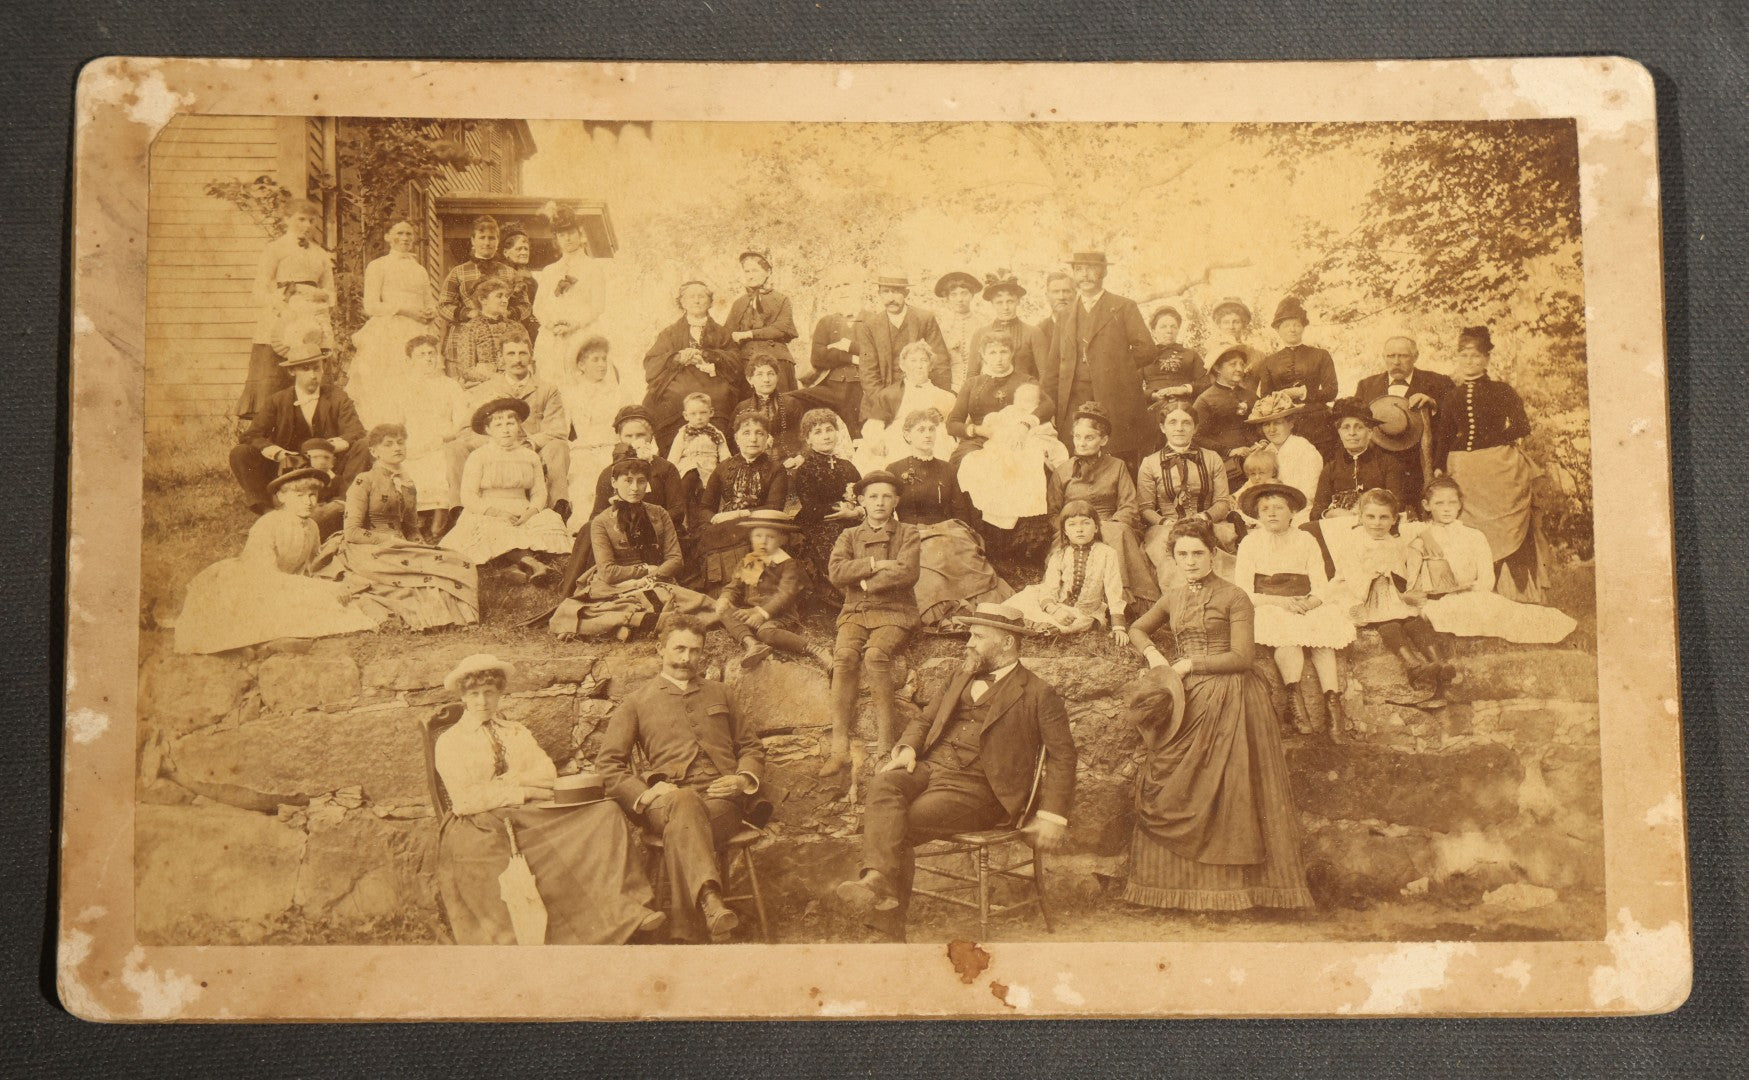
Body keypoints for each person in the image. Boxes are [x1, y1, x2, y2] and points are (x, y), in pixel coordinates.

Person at [834, 604, 1075, 942]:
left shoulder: (1038, 693)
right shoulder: (959, 676)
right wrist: (907, 749)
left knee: (898, 824)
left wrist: (1053, 815)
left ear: (1007, 643)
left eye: (978, 636)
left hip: (982, 789)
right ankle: (878, 881)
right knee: (884, 782)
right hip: (930, 768)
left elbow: (1063, 755)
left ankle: (886, 925)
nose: (969, 643)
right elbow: (924, 720)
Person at [1124, 520, 1315, 911]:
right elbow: (1137, 628)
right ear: (1173, 558)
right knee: (1173, 782)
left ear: (1213, 554)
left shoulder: (1235, 596)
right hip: (1187, 699)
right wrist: (1155, 656)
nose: (1191, 561)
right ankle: (1170, 891)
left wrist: (1189, 664)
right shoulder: (1172, 597)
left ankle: (1240, 894)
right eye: (1182, 554)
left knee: (1231, 789)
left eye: (1198, 553)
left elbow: (1241, 657)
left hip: (1234, 697)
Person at [432, 654, 665, 945]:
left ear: (499, 693)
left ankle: (627, 911)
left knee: (606, 812)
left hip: (530, 814)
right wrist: (523, 788)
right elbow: (465, 800)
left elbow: (546, 774)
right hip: (480, 826)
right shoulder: (451, 741)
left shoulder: (515, 732)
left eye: (489, 692)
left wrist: (504, 784)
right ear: (463, 696)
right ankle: (569, 934)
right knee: (496, 851)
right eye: (475, 694)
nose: (482, 701)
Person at [598, 618, 768, 943]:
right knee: (683, 799)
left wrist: (741, 780)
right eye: (679, 649)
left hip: (721, 805)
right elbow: (608, 765)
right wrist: (646, 794)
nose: (686, 658)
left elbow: (750, 747)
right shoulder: (636, 702)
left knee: (686, 814)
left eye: (695, 651)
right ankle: (710, 902)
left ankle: (689, 926)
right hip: (664, 803)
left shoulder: (722, 693)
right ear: (660, 649)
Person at [174, 468, 378, 654]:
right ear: (282, 497)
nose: (308, 502)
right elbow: (265, 577)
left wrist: (332, 583)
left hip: (284, 583)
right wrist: (324, 589)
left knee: (338, 603)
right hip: (248, 583)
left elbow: (313, 566)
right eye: (300, 496)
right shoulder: (267, 525)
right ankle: (258, 646)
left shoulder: (312, 526)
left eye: (313, 495)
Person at [1431, 325, 1555, 603]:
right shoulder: (1452, 396)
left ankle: (1517, 595)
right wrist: (1439, 466)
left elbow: (1522, 425)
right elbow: (1445, 435)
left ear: (1486, 358)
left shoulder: (1502, 391)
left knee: (1508, 526)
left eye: (1476, 356)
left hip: (1500, 467)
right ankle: (1476, 591)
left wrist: (1494, 439)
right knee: (1472, 526)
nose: (1469, 361)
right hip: (1464, 471)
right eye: (1464, 356)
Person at [316, 424, 480, 630]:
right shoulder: (364, 481)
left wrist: (421, 547)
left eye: (401, 443)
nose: (397, 448)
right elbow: (352, 531)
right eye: (389, 444)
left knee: (459, 561)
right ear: (374, 451)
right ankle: (428, 617)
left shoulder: (408, 484)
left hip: (401, 547)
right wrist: (389, 540)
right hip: (369, 548)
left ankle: (455, 616)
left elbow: (411, 528)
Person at [1233, 482, 1355, 737]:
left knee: (1323, 638)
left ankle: (1333, 706)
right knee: (1287, 637)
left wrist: (1310, 603)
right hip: (1268, 604)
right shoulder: (1250, 543)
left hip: (1303, 602)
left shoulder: (1306, 540)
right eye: (1265, 509)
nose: (1271, 513)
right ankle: (1295, 702)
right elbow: (1243, 590)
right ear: (1257, 514)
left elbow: (1320, 584)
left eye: (1279, 508)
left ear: (1292, 512)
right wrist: (1280, 602)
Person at [547, 454, 714, 640]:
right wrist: (644, 570)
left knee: (700, 603)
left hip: (655, 581)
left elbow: (675, 559)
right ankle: (636, 623)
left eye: (641, 481)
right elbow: (608, 572)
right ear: (614, 482)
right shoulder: (602, 522)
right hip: (614, 585)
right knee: (578, 610)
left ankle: (624, 625)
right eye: (628, 481)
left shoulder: (659, 514)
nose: (635, 488)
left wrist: (651, 577)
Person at [820, 470, 922, 776]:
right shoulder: (849, 536)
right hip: (855, 609)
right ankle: (839, 749)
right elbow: (837, 572)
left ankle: (885, 748)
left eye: (887, 496)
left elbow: (907, 572)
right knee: (844, 657)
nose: (880, 502)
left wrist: (864, 582)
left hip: (895, 610)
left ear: (896, 501)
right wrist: (875, 563)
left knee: (876, 656)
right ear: (862, 501)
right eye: (873, 496)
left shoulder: (908, 533)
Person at [1404, 477, 1576, 650]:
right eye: (1439, 503)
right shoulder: (1419, 538)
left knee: (1510, 613)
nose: (1446, 508)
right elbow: (1412, 585)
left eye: (1452, 502)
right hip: (1437, 602)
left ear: (1460, 504)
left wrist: (1466, 588)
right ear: (1427, 505)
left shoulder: (1474, 536)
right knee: (1454, 615)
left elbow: (1487, 581)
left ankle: (1564, 634)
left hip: (1473, 595)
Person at [887, 408, 1013, 626]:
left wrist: (967, 536)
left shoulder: (948, 469)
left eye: (931, 429)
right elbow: (887, 511)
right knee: (927, 561)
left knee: (962, 554)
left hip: (946, 531)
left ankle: (975, 607)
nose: (927, 434)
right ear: (907, 435)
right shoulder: (895, 469)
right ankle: (945, 610)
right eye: (920, 430)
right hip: (911, 534)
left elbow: (960, 509)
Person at [1325, 488, 1445, 700]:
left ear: (1393, 519)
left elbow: (1400, 571)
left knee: (1413, 621)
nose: (1376, 523)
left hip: (1389, 594)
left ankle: (1439, 663)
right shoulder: (1352, 543)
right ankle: (1413, 665)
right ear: (1361, 517)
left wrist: (1402, 592)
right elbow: (1355, 581)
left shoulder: (1394, 542)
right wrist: (1390, 589)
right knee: (1390, 624)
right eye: (1370, 517)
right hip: (1360, 593)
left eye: (1383, 517)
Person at [1039, 251, 1159, 463]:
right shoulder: (1065, 314)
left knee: (1117, 455)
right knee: (1075, 457)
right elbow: (1054, 366)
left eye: (1091, 269)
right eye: (1079, 269)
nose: (1085, 275)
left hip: (1114, 397)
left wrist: (1115, 368)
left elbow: (1147, 349)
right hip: (1074, 399)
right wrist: (1047, 409)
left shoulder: (1123, 307)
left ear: (1103, 272)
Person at [230, 332, 368, 514]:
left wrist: (328, 448)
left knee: (364, 445)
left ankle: (342, 503)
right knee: (240, 453)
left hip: (329, 464)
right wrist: (278, 453)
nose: (313, 375)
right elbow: (251, 435)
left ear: (323, 369)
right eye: (305, 369)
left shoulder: (337, 397)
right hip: (289, 466)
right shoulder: (278, 400)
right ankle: (267, 510)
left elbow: (356, 432)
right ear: (292, 371)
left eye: (316, 368)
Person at [439, 397, 573, 581]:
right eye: (498, 425)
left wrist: (532, 511)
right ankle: (535, 564)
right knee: (494, 528)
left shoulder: (529, 456)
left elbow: (538, 492)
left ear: (519, 426)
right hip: (490, 509)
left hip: (522, 509)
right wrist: (495, 512)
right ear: (488, 430)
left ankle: (512, 568)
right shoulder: (479, 456)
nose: (505, 429)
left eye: (511, 423)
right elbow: (468, 495)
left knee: (548, 521)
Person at [1047, 402, 1160, 611]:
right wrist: (1073, 528)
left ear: (1104, 440)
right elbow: (1053, 514)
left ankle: (1128, 601)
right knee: (1112, 532)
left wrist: (1105, 527)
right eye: (1077, 437)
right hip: (1074, 529)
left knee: (1116, 531)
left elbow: (1129, 505)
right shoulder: (1062, 471)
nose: (1081, 443)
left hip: (1113, 524)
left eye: (1089, 438)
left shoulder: (1117, 466)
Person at [446, 330, 571, 518]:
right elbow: (465, 430)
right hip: (494, 445)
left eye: (523, 353)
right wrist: (493, 443)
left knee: (558, 447)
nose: (517, 360)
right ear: (501, 358)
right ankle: (458, 511)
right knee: (455, 448)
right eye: (511, 354)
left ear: (531, 356)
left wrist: (530, 443)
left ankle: (558, 508)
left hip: (532, 448)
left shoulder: (547, 390)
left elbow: (557, 430)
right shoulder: (485, 389)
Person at [237, 199, 334, 423]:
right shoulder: (275, 249)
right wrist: (281, 307)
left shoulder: (321, 254)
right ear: (286, 219)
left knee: (311, 367)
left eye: (311, 221)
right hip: (282, 315)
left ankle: (307, 426)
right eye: (301, 219)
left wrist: (320, 295)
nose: (307, 225)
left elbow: (330, 292)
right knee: (277, 372)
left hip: (312, 317)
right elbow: (259, 290)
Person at [375, 335, 471, 541]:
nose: (428, 359)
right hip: (412, 443)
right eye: (421, 355)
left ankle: (439, 524)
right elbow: (394, 425)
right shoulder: (400, 388)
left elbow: (462, 422)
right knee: (408, 467)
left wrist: (444, 438)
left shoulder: (450, 386)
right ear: (409, 360)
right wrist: (405, 444)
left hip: (444, 441)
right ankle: (416, 522)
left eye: (431, 354)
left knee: (441, 464)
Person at [346, 219, 437, 427]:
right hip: (388, 332)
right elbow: (371, 306)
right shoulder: (378, 266)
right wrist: (405, 310)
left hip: (417, 330)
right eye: (399, 233)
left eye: (409, 234)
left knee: (418, 382)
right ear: (387, 237)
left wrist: (430, 312)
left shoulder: (420, 270)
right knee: (388, 382)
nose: (405, 238)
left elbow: (429, 301)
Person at [1138, 402, 1235, 591]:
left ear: (1195, 428)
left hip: (1208, 523)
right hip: (1167, 527)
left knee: (1213, 548)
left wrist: (1203, 517)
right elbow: (1145, 508)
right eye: (1172, 422)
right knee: (1167, 546)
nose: (1179, 428)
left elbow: (1222, 502)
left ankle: (1219, 599)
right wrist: (1166, 522)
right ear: (1162, 427)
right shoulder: (1150, 463)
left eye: (1186, 423)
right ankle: (1181, 599)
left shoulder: (1212, 458)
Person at [715, 509, 830, 669]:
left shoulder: (788, 564)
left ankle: (815, 649)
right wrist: (725, 598)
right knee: (726, 612)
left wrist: (762, 613)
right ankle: (752, 643)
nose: (763, 541)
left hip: (779, 614)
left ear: (783, 539)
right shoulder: (751, 560)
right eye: (758, 536)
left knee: (766, 633)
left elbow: (785, 594)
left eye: (770, 537)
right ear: (751, 537)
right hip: (750, 611)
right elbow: (735, 585)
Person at [693, 408, 790, 587]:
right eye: (746, 433)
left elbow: (774, 507)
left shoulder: (776, 469)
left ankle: (750, 588)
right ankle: (723, 589)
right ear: (737, 438)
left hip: (759, 525)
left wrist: (739, 514)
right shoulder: (723, 468)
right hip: (725, 526)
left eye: (759, 433)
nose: (753, 439)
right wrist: (715, 518)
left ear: (767, 438)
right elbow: (705, 507)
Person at [1355, 335, 1454, 511]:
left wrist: (1433, 404)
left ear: (1415, 357)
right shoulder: (1366, 386)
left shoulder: (1439, 383)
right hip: (1381, 472)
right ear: (1383, 357)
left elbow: (1454, 421)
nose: (1396, 362)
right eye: (1391, 356)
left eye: (1403, 356)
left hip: (1422, 470)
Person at [1005, 500, 1127, 640]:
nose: (1079, 529)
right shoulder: (1060, 554)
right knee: (1024, 599)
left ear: (1096, 528)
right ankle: (1007, 618)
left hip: (1083, 613)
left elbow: (1113, 590)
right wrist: (1054, 609)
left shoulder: (1108, 554)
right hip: (1055, 605)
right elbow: (1049, 588)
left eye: (1086, 523)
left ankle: (1034, 626)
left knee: (1061, 625)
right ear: (1065, 531)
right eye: (1072, 524)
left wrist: (1118, 627)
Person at [643, 280, 742, 453]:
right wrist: (677, 357)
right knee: (674, 395)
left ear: (710, 302)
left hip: (714, 379)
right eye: (691, 297)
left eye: (701, 296)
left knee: (721, 395)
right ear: (682, 302)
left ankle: (717, 450)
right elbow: (652, 360)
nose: (696, 301)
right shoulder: (669, 333)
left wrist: (708, 355)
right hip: (678, 378)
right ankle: (674, 452)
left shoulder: (721, 332)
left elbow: (735, 360)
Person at [957, 383, 1064, 536]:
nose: (1022, 404)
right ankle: (992, 511)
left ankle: (1011, 513)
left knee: (1023, 466)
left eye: (1028, 401)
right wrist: (992, 420)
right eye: (1019, 400)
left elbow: (1046, 435)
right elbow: (994, 420)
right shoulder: (1009, 412)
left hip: (1026, 449)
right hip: (1002, 449)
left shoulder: (1039, 420)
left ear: (1037, 405)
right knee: (975, 462)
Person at [787, 408, 863, 611]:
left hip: (851, 519)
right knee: (836, 542)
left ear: (837, 433)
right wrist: (841, 508)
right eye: (818, 432)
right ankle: (852, 599)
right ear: (808, 439)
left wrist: (856, 511)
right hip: (820, 523)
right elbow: (811, 507)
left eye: (829, 429)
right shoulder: (806, 469)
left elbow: (863, 495)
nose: (826, 436)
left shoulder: (847, 466)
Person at [558, 335, 636, 531]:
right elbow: (562, 430)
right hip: (583, 449)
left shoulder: (619, 393)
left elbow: (631, 426)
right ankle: (584, 529)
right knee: (583, 478)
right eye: (595, 359)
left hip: (612, 447)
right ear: (581, 365)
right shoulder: (570, 394)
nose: (602, 364)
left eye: (604, 359)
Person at [945, 331, 1053, 466]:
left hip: (1016, 438)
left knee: (1023, 463)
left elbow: (1048, 405)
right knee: (971, 462)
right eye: (992, 353)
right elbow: (952, 424)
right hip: (979, 440)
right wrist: (977, 430)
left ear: (1012, 353)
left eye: (1003, 352)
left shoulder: (1026, 380)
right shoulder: (972, 384)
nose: (999, 358)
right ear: (983, 355)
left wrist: (1024, 425)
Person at [1254, 297, 1340, 462]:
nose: (1292, 329)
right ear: (1278, 329)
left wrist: (1302, 393)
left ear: (1303, 327)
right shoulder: (1269, 362)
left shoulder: (1320, 355)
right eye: (1287, 325)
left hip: (1319, 425)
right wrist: (1283, 398)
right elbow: (1266, 399)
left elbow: (1331, 390)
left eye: (1297, 324)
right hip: (1286, 428)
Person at [530, 203, 607, 387]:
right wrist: (551, 324)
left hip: (581, 333)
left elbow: (597, 306)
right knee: (551, 384)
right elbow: (538, 307)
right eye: (562, 235)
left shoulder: (593, 268)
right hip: (553, 336)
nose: (567, 239)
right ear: (556, 239)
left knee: (582, 382)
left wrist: (574, 324)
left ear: (580, 233)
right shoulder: (549, 271)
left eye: (571, 233)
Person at [855, 339, 958, 476]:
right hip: (899, 441)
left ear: (930, 366)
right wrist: (876, 442)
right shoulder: (890, 394)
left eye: (923, 360)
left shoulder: (945, 396)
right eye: (913, 361)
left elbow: (955, 425)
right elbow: (874, 424)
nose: (919, 366)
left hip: (933, 440)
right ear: (903, 366)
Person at [853, 269, 952, 404]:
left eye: (896, 291)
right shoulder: (870, 326)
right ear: (879, 294)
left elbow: (940, 363)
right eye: (886, 292)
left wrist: (938, 399)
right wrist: (883, 402)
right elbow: (868, 371)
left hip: (922, 394)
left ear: (906, 293)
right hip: (884, 395)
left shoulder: (924, 319)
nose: (891, 298)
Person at [1312, 396, 1411, 523]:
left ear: (1370, 432)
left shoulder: (1388, 464)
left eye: (1359, 427)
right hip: (1339, 527)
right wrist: (1331, 514)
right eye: (1346, 427)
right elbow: (1316, 512)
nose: (1352, 433)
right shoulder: (1330, 468)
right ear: (1339, 433)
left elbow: (1397, 505)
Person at [436, 215, 512, 368]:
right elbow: (443, 305)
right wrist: (468, 313)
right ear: (473, 240)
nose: (486, 242)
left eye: (491, 238)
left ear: (498, 241)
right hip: (463, 338)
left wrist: (509, 313)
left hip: (500, 339)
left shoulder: (509, 273)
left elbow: (525, 305)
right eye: (482, 237)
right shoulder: (458, 272)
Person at [791, 277, 864, 431]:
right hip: (831, 386)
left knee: (859, 432)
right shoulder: (826, 322)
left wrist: (845, 346)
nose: (842, 291)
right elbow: (817, 358)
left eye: (846, 284)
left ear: (859, 288)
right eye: (837, 286)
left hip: (863, 386)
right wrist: (851, 357)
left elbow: (877, 353)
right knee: (788, 400)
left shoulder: (873, 320)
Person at [724, 248, 800, 392]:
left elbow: (781, 328)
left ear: (768, 272)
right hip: (745, 360)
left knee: (782, 400)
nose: (750, 275)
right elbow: (727, 333)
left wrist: (749, 334)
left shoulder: (781, 299)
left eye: (755, 271)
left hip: (776, 357)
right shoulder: (739, 303)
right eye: (747, 271)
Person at [1241, 391, 1323, 525]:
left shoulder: (1306, 450)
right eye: (1266, 424)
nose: (1271, 430)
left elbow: (1308, 494)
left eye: (1277, 423)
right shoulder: (1266, 451)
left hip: (1298, 512)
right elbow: (1252, 483)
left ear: (1291, 423)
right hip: (1267, 510)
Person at [1191, 346, 1259, 485]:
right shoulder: (1205, 399)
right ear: (1217, 368)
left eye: (1242, 364)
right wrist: (1229, 451)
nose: (1239, 369)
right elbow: (1196, 436)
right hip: (1227, 466)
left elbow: (1263, 424)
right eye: (1233, 364)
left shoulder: (1251, 396)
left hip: (1258, 460)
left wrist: (1262, 442)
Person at [967, 270, 1050, 380]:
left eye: (1010, 301)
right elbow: (972, 374)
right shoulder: (981, 334)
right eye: (999, 302)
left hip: (1025, 389)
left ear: (1018, 301)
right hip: (990, 389)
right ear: (992, 304)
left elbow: (1045, 374)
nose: (1005, 307)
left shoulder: (1033, 333)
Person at [668, 391, 733, 528]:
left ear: (711, 412)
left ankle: (703, 524)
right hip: (687, 470)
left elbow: (725, 457)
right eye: (693, 414)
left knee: (706, 497)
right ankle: (683, 522)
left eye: (703, 413)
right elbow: (673, 457)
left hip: (709, 471)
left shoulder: (716, 434)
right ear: (686, 415)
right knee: (686, 485)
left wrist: (726, 473)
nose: (699, 417)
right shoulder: (683, 434)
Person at [449, 277, 526, 388]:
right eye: (499, 296)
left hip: (516, 384)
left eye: (506, 296)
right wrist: (496, 378)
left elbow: (528, 360)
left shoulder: (517, 327)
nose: (505, 300)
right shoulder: (470, 328)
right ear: (483, 299)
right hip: (485, 386)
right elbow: (466, 370)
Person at [1140, 305, 1209, 415]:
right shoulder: (1144, 356)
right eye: (1163, 327)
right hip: (1154, 408)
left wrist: (1184, 389)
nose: (1169, 331)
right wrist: (1153, 395)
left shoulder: (1191, 355)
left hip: (1185, 407)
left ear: (1178, 330)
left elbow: (1206, 383)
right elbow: (1131, 388)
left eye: (1173, 327)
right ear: (1153, 330)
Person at [737, 353, 809, 458]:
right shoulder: (742, 408)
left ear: (777, 377)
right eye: (760, 374)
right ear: (750, 379)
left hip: (787, 461)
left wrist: (800, 457)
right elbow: (734, 443)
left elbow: (805, 437)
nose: (766, 379)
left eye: (770, 374)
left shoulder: (791, 404)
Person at [933, 270, 982, 391]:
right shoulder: (940, 326)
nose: (959, 299)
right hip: (948, 386)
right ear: (947, 298)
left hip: (977, 385)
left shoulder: (982, 324)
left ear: (972, 295)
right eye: (953, 295)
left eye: (964, 293)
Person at [1204, 296, 1263, 393]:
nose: (1231, 327)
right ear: (1219, 325)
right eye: (1226, 322)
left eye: (1236, 322)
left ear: (1244, 324)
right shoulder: (1214, 353)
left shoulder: (1256, 354)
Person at [294, 437, 347, 539]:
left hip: (327, 517)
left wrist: (332, 504)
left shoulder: (337, 480)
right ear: (305, 459)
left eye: (326, 458)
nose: (322, 462)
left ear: (333, 461)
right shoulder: (300, 478)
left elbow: (343, 496)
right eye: (315, 457)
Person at [497, 221, 539, 344]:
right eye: (519, 249)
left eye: (526, 249)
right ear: (506, 252)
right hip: (507, 327)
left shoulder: (531, 279)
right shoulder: (500, 275)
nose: (524, 252)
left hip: (529, 327)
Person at [1033, 270, 1075, 347]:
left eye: (1066, 291)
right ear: (1047, 296)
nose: (1061, 297)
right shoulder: (1039, 331)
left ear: (1075, 294)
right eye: (1056, 292)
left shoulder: (1086, 326)